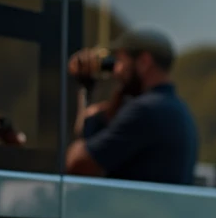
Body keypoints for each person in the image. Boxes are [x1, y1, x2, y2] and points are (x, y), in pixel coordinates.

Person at [65, 28, 199, 185]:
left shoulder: (145, 110)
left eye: (121, 61)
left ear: (144, 62)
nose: (116, 71)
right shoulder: (177, 109)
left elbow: (78, 163)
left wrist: (90, 101)